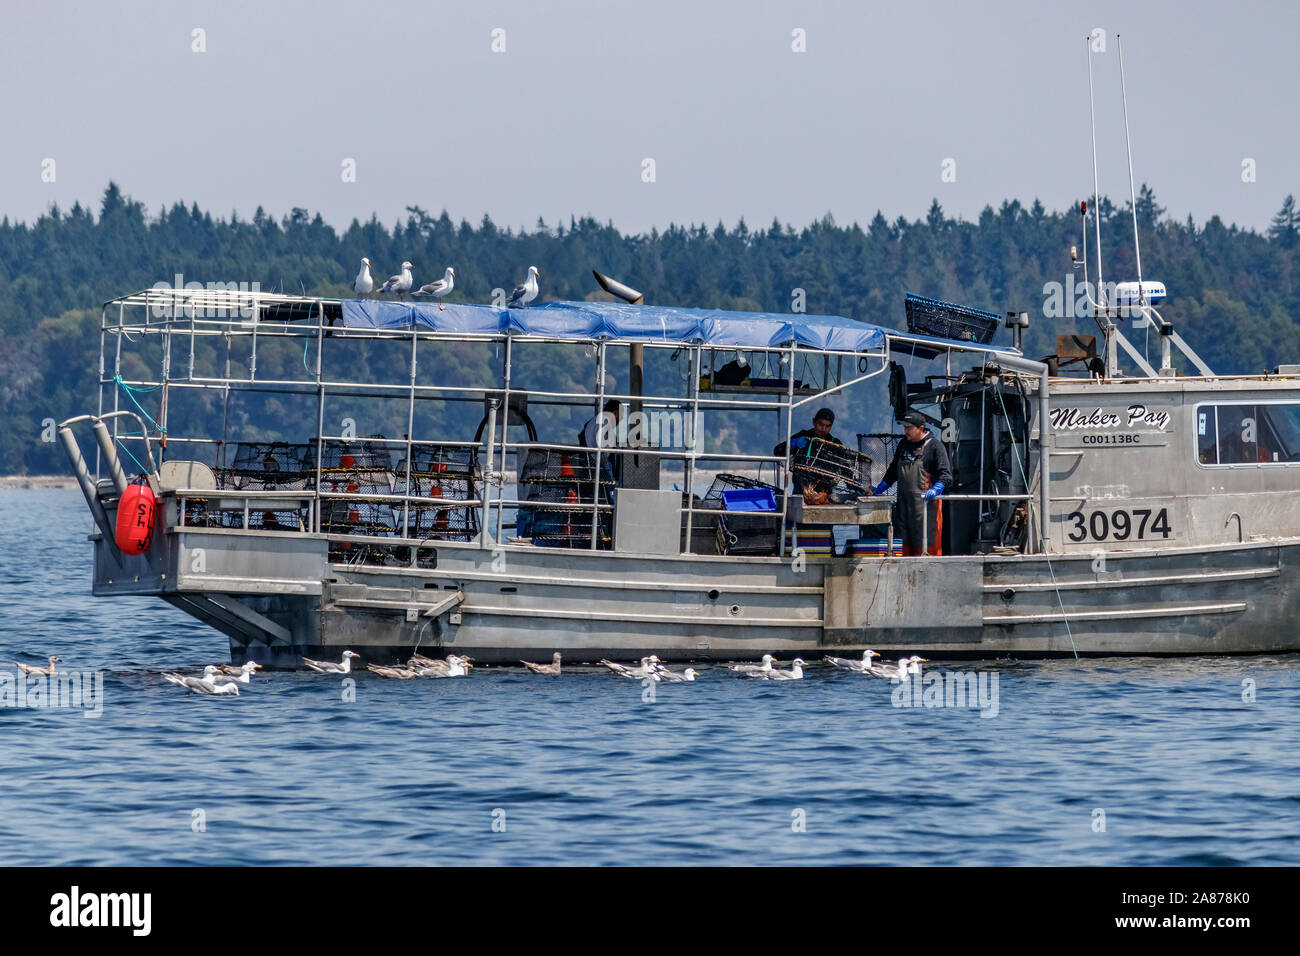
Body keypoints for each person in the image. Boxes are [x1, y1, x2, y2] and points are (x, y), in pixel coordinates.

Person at [873, 410, 952, 556]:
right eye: (904, 427)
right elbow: (893, 471)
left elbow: (946, 475)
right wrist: (881, 487)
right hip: (903, 509)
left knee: (927, 549)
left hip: (926, 510)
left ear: (921, 428)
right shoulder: (903, 444)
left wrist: (936, 489)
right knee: (901, 549)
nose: (905, 431)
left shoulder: (935, 446)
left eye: (909, 428)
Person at [774, 408, 843, 503]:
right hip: (800, 494)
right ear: (814, 422)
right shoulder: (803, 436)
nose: (823, 429)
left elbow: (846, 469)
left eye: (827, 426)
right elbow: (778, 451)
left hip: (824, 496)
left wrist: (862, 488)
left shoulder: (835, 443)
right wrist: (793, 444)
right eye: (821, 424)